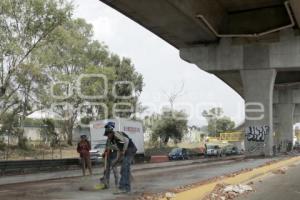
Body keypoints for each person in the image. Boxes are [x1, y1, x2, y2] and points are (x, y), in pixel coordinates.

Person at [103, 122, 137, 193]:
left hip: (130, 149)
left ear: (111, 133)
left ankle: (122, 188)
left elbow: (126, 140)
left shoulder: (116, 134)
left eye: (108, 134)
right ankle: (127, 189)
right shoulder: (114, 141)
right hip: (128, 151)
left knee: (124, 168)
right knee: (124, 170)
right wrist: (116, 161)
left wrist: (124, 150)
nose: (107, 136)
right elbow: (119, 152)